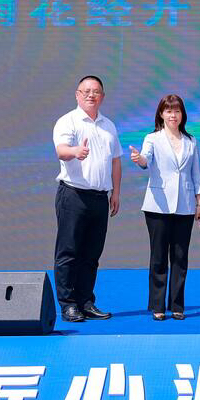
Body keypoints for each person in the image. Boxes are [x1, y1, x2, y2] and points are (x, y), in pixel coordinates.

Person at [52, 75, 122, 323]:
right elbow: (61, 150)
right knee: (69, 251)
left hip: (100, 197)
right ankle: (68, 304)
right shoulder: (68, 121)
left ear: (102, 96)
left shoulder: (108, 125)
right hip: (73, 194)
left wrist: (115, 192)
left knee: (91, 254)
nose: (91, 95)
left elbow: (115, 161)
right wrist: (75, 151)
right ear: (77, 94)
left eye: (96, 92)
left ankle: (85, 301)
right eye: (86, 91)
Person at [129, 94, 200, 321]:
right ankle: (158, 305)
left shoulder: (191, 141)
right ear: (161, 114)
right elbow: (146, 160)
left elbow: (196, 173)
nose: (173, 115)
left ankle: (177, 305)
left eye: (177, 111)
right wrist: (139, 159)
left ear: (183, 115)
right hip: (158, 205)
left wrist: (199, 202)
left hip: (185, 204)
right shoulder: (152, 138)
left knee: (180, 257)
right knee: (159, 256)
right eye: (168, 111)